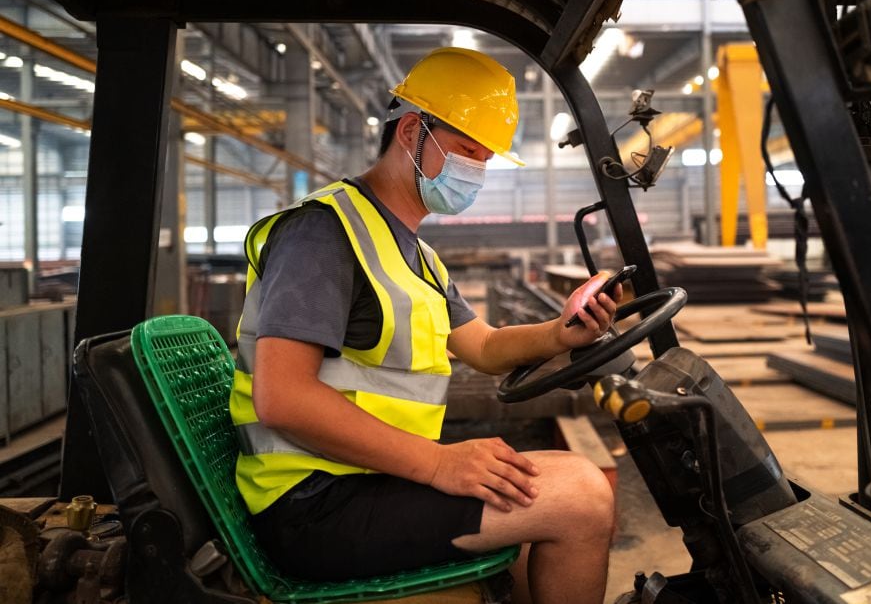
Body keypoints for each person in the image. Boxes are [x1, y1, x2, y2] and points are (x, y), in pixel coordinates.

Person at [230, 47, 620, 604]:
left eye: (485, 158)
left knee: (558, 475)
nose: (477, 171)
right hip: (314, 505)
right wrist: (439, 463)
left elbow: (483, 345)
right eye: (466, 151)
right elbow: (283, 398)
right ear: (412, 132)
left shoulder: (414, 254)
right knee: (579, 494)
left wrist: (561, 334)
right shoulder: (324, 234)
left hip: (363, 479)